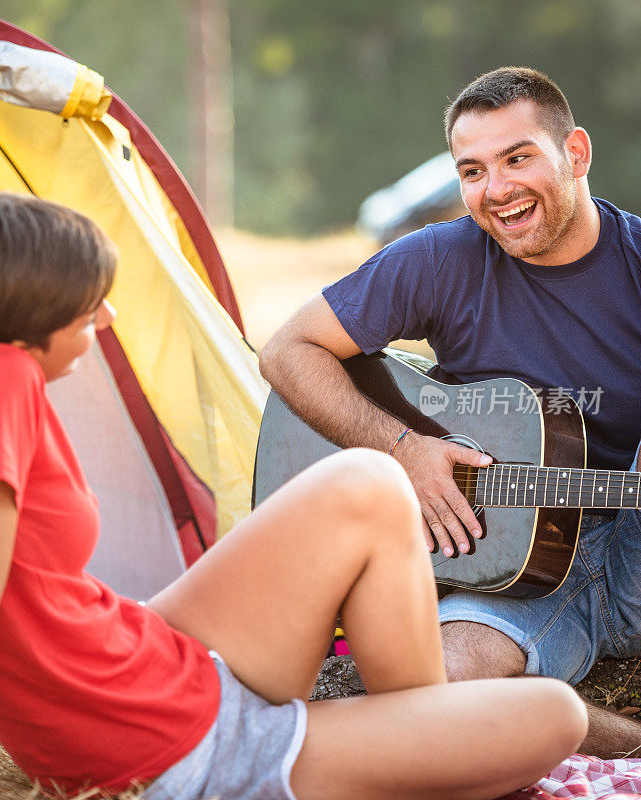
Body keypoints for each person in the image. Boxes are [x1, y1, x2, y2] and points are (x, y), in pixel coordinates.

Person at [0, 192, 585, 800]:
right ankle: (415, 741)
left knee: (371, 478)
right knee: (557, 715)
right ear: (32, 317)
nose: (104, 321)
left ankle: (412, 734)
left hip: (142, 654)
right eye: (87, 308)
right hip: (168, 742)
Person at [259, 66, 641, 759]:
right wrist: (402, 446)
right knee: (437, 686)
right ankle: (624, 741)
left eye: (518, 158)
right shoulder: (440, 259)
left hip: (634, 550)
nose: (496, 191)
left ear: (576, 154)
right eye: (472, 170)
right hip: (509, 568)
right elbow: (289, 351)